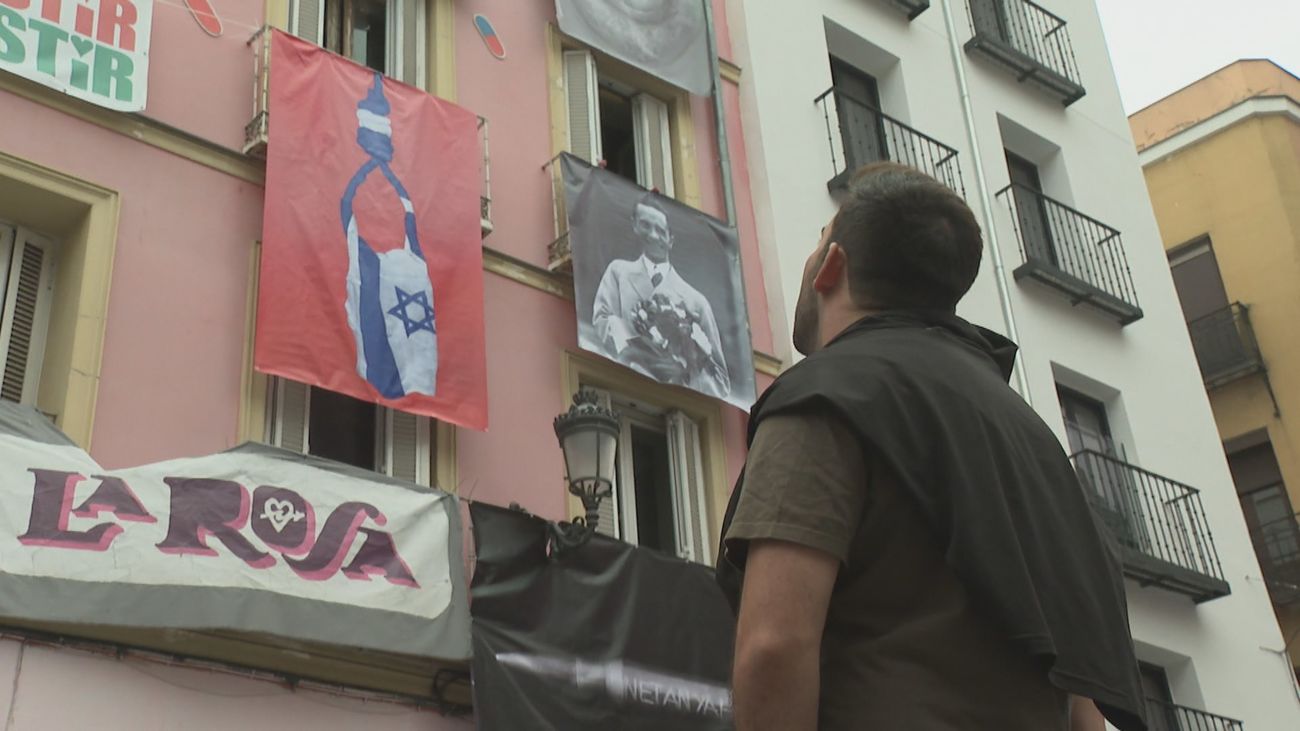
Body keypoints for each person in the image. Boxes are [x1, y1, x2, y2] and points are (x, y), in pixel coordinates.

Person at [718, 162, 1148, 731]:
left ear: (832, 267)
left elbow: (774, 645)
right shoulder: (1038, 447)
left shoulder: (827, 396)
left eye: (819, 241)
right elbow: (1082, 713)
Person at [591, 193, 730, 398]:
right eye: (646, 225)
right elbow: (601, 320)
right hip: (625, 384)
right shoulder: (618, 272)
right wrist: (638, 350)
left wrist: (687, 367)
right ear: (635, 226)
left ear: (671, 240)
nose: (653, 236)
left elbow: (720, 382)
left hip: (671, 398)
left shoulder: (696, 301)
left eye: (660, 231)